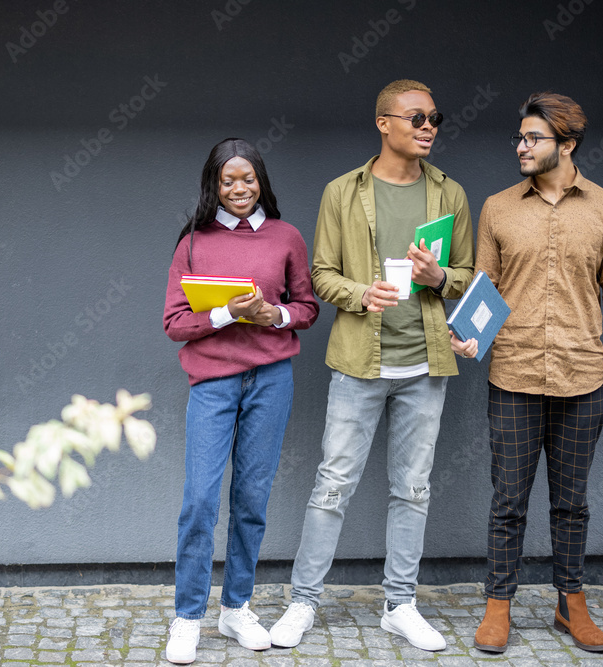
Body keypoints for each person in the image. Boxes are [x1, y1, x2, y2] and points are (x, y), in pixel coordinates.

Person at [269, 79, 474, 652]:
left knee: (413, 488)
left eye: (435, 117)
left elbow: (466, 274)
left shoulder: (450, 193)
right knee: (333, 483)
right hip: (360, 362)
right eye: (416, 117)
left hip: (425, 364)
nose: (428, 125)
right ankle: (303, 603)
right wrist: (362, 294)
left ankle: (399, 604)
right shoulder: (343, 191)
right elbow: (320, 276)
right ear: (384, 123)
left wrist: (440, 279)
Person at [451, 92, 603, 654]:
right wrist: (470, 335)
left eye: (531, 138)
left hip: (582, 378)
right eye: (519, 137)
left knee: (571, 502)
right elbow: (483, 291)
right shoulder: (497, 207)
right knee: (508, 500)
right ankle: (499, 606)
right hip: (512, 376)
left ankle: (570, 605)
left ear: (566, 144)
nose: (520, 145)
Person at [162, 138, 318, 664]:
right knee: (201, 501)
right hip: (212, 383)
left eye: (247, 179)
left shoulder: (286, 236)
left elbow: (308, 307)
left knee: (251, 499)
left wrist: (275, 316)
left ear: (261, 182)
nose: (238, 189)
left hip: (271, 380)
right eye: (228, 180)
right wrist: (230, 313)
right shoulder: (192, 242)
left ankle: (236, 607)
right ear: (214, 184)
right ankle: (187, 617)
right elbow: (175, 324)